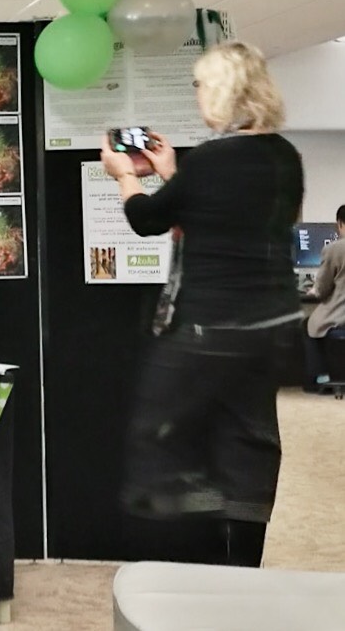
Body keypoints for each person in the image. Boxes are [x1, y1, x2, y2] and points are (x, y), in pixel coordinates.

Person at [99, 41, 304, 568]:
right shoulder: (285, 158)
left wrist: (124, 174)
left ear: (221, 90)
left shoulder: (213, 159)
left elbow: (147, 219)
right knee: (250, 444)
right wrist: (172, 171)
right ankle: (241, 569)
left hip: (210, 328)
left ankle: (188, 538)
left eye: (199, 85)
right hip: (274, 329)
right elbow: (219, 217)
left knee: (157, 436)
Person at [305, 205, 345, 387]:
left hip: (340, 317)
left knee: (310, 324)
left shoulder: (335, 249)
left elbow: (321, 289)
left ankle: (321, 378)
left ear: (340, 224)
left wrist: (313, 290)